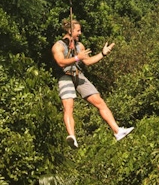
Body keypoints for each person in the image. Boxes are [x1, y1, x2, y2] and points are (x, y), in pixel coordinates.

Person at [52, 18, 134, 148]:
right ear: (70, 31)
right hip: (65, 76)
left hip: (78, 75)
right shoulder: (58, 46)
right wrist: (77, 57)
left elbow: (88, 61)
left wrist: (102, 54)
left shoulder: (80, 46)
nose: (80, 33)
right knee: (69, 107)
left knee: (99, 101)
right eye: (78, 31)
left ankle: (117, 131)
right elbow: (61, 62)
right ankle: (72, 136)